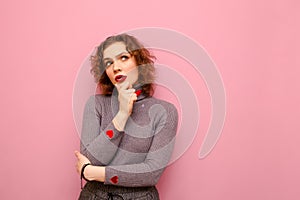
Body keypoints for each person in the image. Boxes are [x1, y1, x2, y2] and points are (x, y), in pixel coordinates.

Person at [74, 33, 178, 200]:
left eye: (123, 57)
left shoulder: (165, 112)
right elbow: (91, 160)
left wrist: (96, 173)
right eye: (109, 63)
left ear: (139, 62)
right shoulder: (95, 104)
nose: (116, 67)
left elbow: (151, 173)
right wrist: (122, 115)